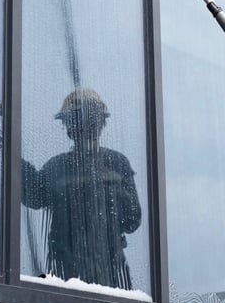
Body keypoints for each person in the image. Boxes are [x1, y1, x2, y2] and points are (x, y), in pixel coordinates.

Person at [21, 88, 142, 289]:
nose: (82, 127)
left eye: (86, 120)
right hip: (66, 277)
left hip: (110, 278)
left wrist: (107, 184)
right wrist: (10, 152)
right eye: (74, 121)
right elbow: (34, 195)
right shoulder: (57, 167)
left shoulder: (116, 164)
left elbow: (132, 220)